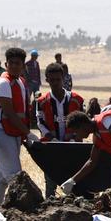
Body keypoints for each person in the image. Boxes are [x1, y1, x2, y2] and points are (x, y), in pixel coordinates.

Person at [0, 48, 36, 205]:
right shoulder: (3, 83)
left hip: (12, 132)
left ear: (23, 66)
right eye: (11, 63)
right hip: (1, 131)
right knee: (15, 177)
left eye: (18, 63)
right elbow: (9, 113)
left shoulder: (20, 82)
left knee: (1, 178)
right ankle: (18, 211)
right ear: (6, 64)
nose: (14, 66)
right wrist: (27, 133)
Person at [35, 62, 85, 196]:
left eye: (58, 79)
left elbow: (82, 123)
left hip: (74, 147)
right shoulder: (41, 101)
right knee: (50, 180)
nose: (55, 83)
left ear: (63, 78)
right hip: (51, 147)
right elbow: (40, 123)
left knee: (74, 181)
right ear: (47, 80)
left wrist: (75, 138)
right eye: (52, 80)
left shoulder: (77, 100)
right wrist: (53, 139)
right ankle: (48, 206)